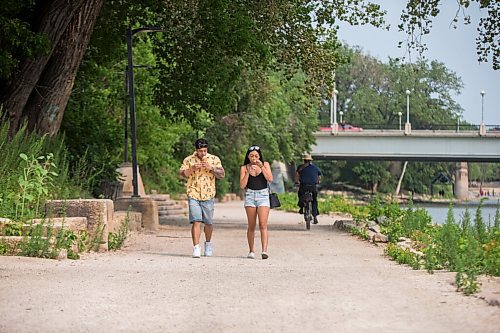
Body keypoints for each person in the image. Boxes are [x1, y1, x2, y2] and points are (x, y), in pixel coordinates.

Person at [178, 138, 225, 258]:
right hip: (193, 193)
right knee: (196, 221)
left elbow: (222, 175)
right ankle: (196, 247)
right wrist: (192, 169)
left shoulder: (214, 159)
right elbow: (180, 175)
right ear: (196, 150)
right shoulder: (188, 160)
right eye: (200, 151)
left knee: (208, 223)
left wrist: (212, 168)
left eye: (204, 151)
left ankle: (208, 244)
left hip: (208, 194)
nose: (203, 153)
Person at [239, 145, 273, 259]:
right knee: (251, 225)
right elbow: (242, 185)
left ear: (259, 156)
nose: (254, 158)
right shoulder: (244, 168)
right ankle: (251, 250)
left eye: (256, 156)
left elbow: (270, 179)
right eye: (251, 156)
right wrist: (248, 172)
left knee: (263, 224)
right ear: (248, 157)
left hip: (263, 195)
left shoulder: (265, 164)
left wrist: (261, 167)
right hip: (250, 195)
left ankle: (264, 250)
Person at [295, 154, 321, 224]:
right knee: (314, 200)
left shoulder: (300, 167)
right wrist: (318, 182)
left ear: (304, 160)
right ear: (310, 161)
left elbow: (297, 175)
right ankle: (315, 217)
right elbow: (319, 176)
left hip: (303, 186)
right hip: (313, 186)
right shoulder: (316, 168)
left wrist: (296, 182)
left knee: (300, 195)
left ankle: (301, 208)